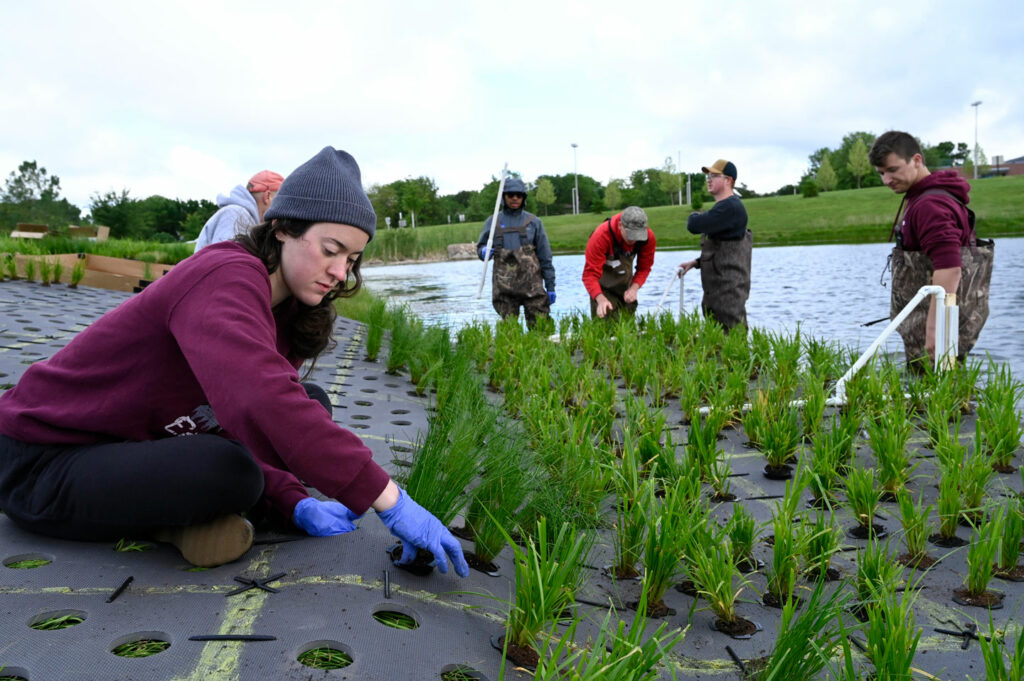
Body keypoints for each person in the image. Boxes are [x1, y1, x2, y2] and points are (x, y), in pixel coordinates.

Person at [0, 147, 470, 577]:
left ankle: (188, 518)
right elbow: (258, 398)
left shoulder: (290, 311)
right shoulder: (224, 274)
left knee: (311, 402)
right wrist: (389, 499)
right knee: (231, 469)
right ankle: (170, 526)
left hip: (141, 446)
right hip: (43, 461)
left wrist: (294, 501)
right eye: (330, 250)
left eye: (351, 258)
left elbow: (243, 416)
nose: (339, 272)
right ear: (283, 228)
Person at [869, 130, 993, 366]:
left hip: (937, 323)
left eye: (893, 170)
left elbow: (950, 268)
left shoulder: (930, 205)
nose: (886, 180)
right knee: (940, 392)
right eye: (881, 173)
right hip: (934, 320)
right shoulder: (923, 197)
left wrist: (936, 330)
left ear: (916, 160)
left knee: (935, 394)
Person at [679, 160, 752, 331]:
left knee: (731, 343)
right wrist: (697, 262)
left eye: (714, 176)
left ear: (729, 180)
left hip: (728, 295)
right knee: (718, 344)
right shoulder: (726, 208)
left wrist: (694, 215)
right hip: (719, 293)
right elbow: (726, 247)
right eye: (708, 176)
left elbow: (694, 225)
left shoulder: (730, 207)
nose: (709, 180)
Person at [476, 177, 555, 326]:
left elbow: (546, 258)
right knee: (509, 335)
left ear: (523, 198)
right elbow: (480, 249)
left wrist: (550, 286)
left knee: (542, 330)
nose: (514, 198)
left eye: (519, 195)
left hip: (534, 291)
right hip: (504, 292)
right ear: (503, 197)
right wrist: (483, 252)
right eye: (510, 195)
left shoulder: (534, 223)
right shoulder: (493, 222)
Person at [582, 206, 656, 319]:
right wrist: (600, 299)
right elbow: (589, 275)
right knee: (604, 322)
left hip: (626, 286)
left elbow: (644, 268)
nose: (634, 241)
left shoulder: (647, 238)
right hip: (602, 288)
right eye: (631, 237)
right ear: (620, 225)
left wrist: (634, 288)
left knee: (627, 329)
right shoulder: (601, 236)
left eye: (638, 237)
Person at [193, 170, 284, 251]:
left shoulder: (242, 216)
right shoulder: (235, 215)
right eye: (280, 201)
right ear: (267, 196)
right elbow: (227, 262)